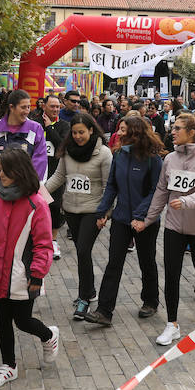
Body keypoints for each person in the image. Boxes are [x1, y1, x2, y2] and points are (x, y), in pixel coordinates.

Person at [0, 148, 58, 389]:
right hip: (0, 274)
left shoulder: (37, 204)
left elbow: (44, 244)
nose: (0, 174)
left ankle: (48, 335)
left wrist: (37, 275)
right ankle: (9, 365)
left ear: (18, 172)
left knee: (22, 320)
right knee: (2, 319)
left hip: (23, 276)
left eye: (5, 170)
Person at [144, 114, 195, 346]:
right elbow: (161, 192)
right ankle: (172, 324)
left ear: (192, 132)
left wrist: (186, 201)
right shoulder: (170, 159)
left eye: (177, 128)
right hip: (174, 225)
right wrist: (148, 219)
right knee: (172, 273)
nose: (172, 132)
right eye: (172, 128)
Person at [85, 115, 164, 325]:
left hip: (145, 221)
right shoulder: (119, 155)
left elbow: (156, 191)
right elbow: (111, 186)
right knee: (113, 263)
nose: (118, 133)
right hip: (120, 219)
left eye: (122, 129)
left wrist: (141, 217)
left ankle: (151, 301)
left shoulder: (153, 158)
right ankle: (104, 311)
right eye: (119, 129)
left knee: (146, 262)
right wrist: (102, 212)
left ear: (135, 132)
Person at [45, 113, 112, 320]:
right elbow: (59, 177)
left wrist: (105, 213)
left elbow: (110, 185)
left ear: (91, 130)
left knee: (83, 251)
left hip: (93, 210)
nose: (77, 136)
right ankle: (90, 290)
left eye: (81, 132)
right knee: (82, 252)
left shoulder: (104, 154)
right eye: (74, 133)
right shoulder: (67, 151)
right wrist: (39, 196)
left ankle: (84, 298)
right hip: (71, 210)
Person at [0, 89, 48, 180]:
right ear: (11, 107)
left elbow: (40, 162)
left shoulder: (36, 129)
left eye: (28, 107)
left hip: (25, 188)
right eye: (23, 107)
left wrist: (30, 186)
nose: (27, 111)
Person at [41, 95, 70, 259]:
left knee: (54, 206)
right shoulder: (35, 123)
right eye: (52, 106)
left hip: (55, 173)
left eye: (58, 107)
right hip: (38, 173)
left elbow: (61, 145)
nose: (56, 109)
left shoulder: (63, 125)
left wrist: (50, 128)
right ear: (44, 106)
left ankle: (53, 240)